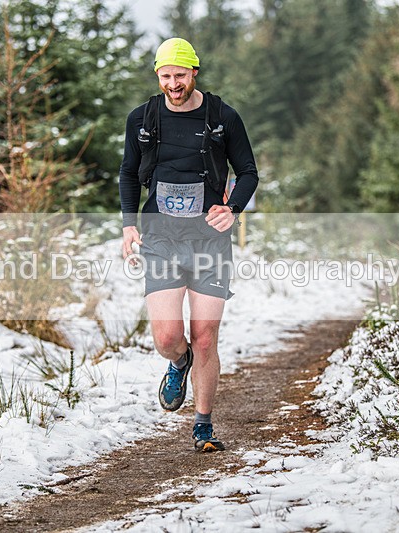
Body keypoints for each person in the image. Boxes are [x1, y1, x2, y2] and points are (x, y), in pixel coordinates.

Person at [119, 37, 259, 452]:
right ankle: (178, 364)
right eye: (166, 76)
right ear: (158, 75)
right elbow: (128, 172)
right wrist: (129, 224)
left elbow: (248, 172)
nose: (173, 84)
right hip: (160, 237)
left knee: (204, 337)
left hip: (209, 240)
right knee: (167, 337)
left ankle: (203, 426)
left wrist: (232, 208)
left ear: (194, 72)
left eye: (180, 75)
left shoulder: (222, 116)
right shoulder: (142, 118)